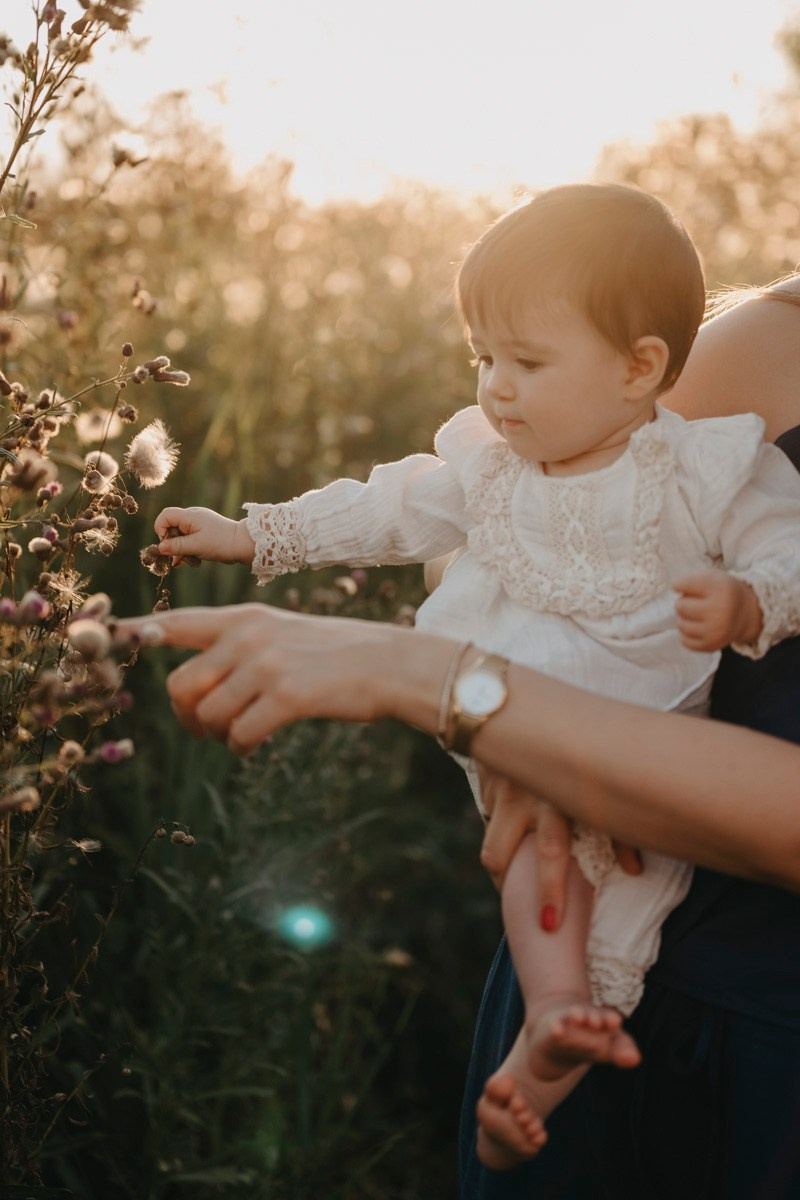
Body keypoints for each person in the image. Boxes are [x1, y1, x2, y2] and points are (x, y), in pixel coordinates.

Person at [145, 185, 800, 1174]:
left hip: (739, 994)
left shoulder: (704, 464)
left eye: (520, 363)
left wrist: (749, 603)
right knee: (549, 888)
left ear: (640, 369)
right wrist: (256, 534)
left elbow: (775, 544)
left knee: (611, 920)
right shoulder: (748, 346)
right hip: (568, 791)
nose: (493, 388)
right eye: (480, 359)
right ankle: (548, 1025)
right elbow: (404, 513)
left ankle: (548, 1051)